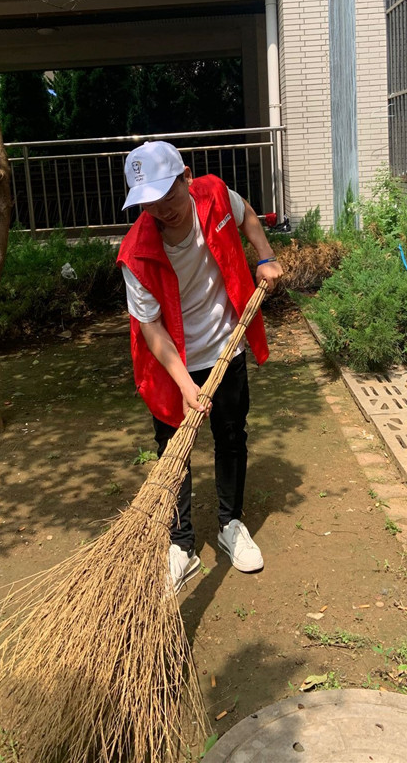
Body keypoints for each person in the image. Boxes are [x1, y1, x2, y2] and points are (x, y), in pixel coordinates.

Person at [116, 140, 283, 594]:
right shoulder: (136, 252)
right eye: (149, 203)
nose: (162, 210)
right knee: (174, 448)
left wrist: (265, 255)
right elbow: (150, 328)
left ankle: (231, 524)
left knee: (231, 434)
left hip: (226, 345)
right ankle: (181, 544)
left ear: (186, 178)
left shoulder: (213, 194)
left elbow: (248, 215)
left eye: (167, 196)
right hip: (173, 361)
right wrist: (184, 384)